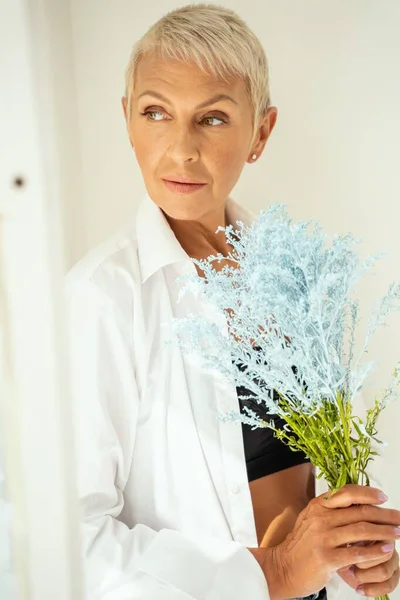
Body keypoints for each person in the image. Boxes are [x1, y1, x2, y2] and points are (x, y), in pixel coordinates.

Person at [66, 4, 400, 599]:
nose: (180, 150)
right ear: (127, 120)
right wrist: (269, 574)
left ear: (261, 133)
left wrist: (352, 557)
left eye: (213, 118)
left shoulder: (293, 281)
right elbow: (71, 540)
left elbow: (296, 495)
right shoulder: (103, 297)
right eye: (155, 113)